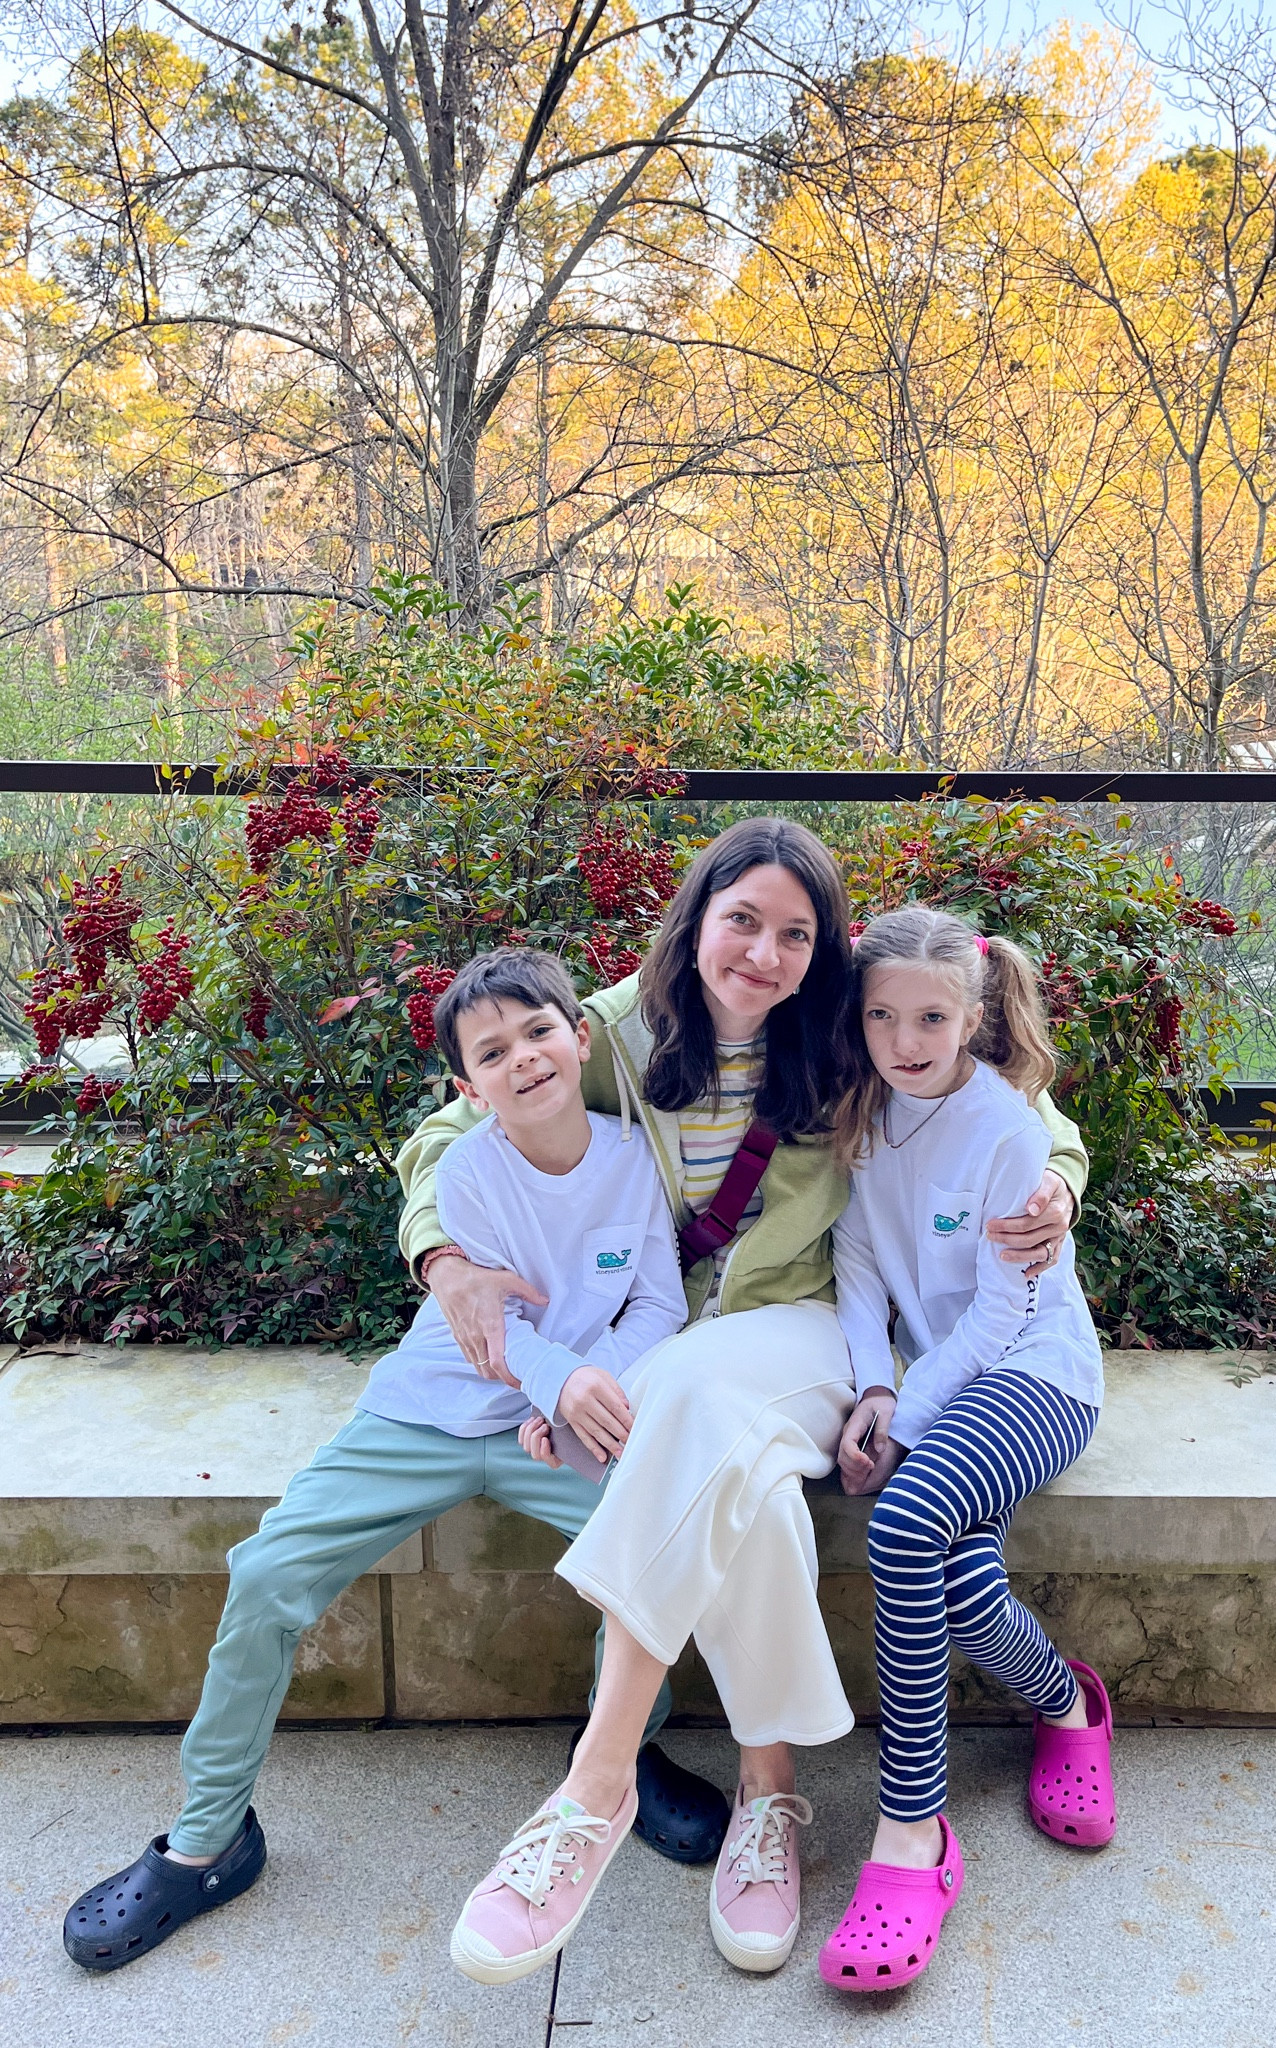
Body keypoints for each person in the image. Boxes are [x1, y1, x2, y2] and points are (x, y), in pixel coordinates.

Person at [399, 818, 1090, 1987]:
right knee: (740, 1465)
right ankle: (769, 1794)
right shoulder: (618, 1030)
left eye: (794, 933)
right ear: (695, 918)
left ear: (823, 949)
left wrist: (1057, 1186)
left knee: (686, 1395)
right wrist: (444, 1259)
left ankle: (593, 1783)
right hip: (670, 1340)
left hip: (806, 1327)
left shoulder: (847, 1025)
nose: (763, 953)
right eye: (741, 921)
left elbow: (1018, 1109)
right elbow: (448, 1129)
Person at [62, 947, 694, 1974]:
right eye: (491, 1051)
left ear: (580, 1038)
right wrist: (555, 1380)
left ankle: (620, 1755)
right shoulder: (466, 1170)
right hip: (432, 1410)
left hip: (564, 1419)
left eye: (539, 1032)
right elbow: (482, 1321)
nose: (523, 1058)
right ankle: (207, 1839)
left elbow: (658, 1300)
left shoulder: (633, 1157)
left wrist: (591, 1390)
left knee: (658, 1549)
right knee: (266, 1572)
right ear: (466, 1085)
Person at [816, 906, 1113, 1996]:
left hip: (1033, 1377)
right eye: (882, 1016)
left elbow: (999, 1315)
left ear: (973, 1015)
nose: (905, 1040)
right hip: (931, 1382)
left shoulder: (1008, 1132)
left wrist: (902, 1418)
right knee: (956, 1568)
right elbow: (856, 1261)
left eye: (931, 1018)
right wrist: (873, 1385)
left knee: (902, 1524)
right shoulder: (860, 1113)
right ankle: (1066, 1702)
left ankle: (912, 1831)